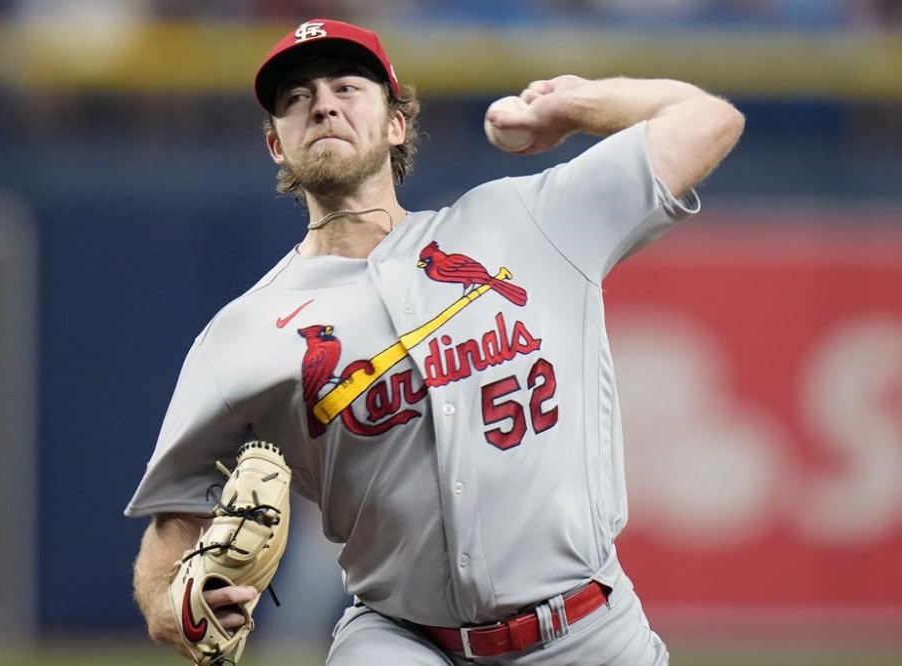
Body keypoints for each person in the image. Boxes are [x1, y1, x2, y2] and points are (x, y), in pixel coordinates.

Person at [126, 17, 744, 665]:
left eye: (346, 86)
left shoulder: (526, 221)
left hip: (586, 630)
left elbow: (707, 120)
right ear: (276, 145)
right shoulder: (243, 334)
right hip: (399, 638)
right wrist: (169, 606)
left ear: (397, 122)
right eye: (296, 99)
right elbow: (174, 523)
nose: (323, 104)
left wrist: (576, 105)